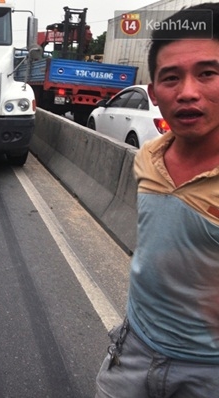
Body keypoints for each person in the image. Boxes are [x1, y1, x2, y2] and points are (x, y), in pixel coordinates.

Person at [95, 3, 219, 397]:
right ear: (154, 93)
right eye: (171, 78)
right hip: (133, 351)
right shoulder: (149, 156)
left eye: (207, 73)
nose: (187, 92)